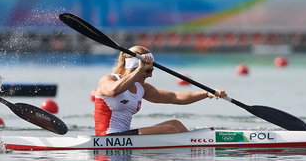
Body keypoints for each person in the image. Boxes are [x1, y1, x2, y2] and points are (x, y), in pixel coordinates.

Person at [93, 45, 227, 135]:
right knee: (169, 129)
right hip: (107, 137)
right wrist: (140, 69)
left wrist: (206, 93)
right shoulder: (108, 79)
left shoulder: (141, 88)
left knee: (174, 123)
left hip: (125, 136)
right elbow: (113, 91)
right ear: (134, 68)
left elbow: (176, 97)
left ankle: (196, 145)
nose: (150, 75)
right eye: (148, 71)